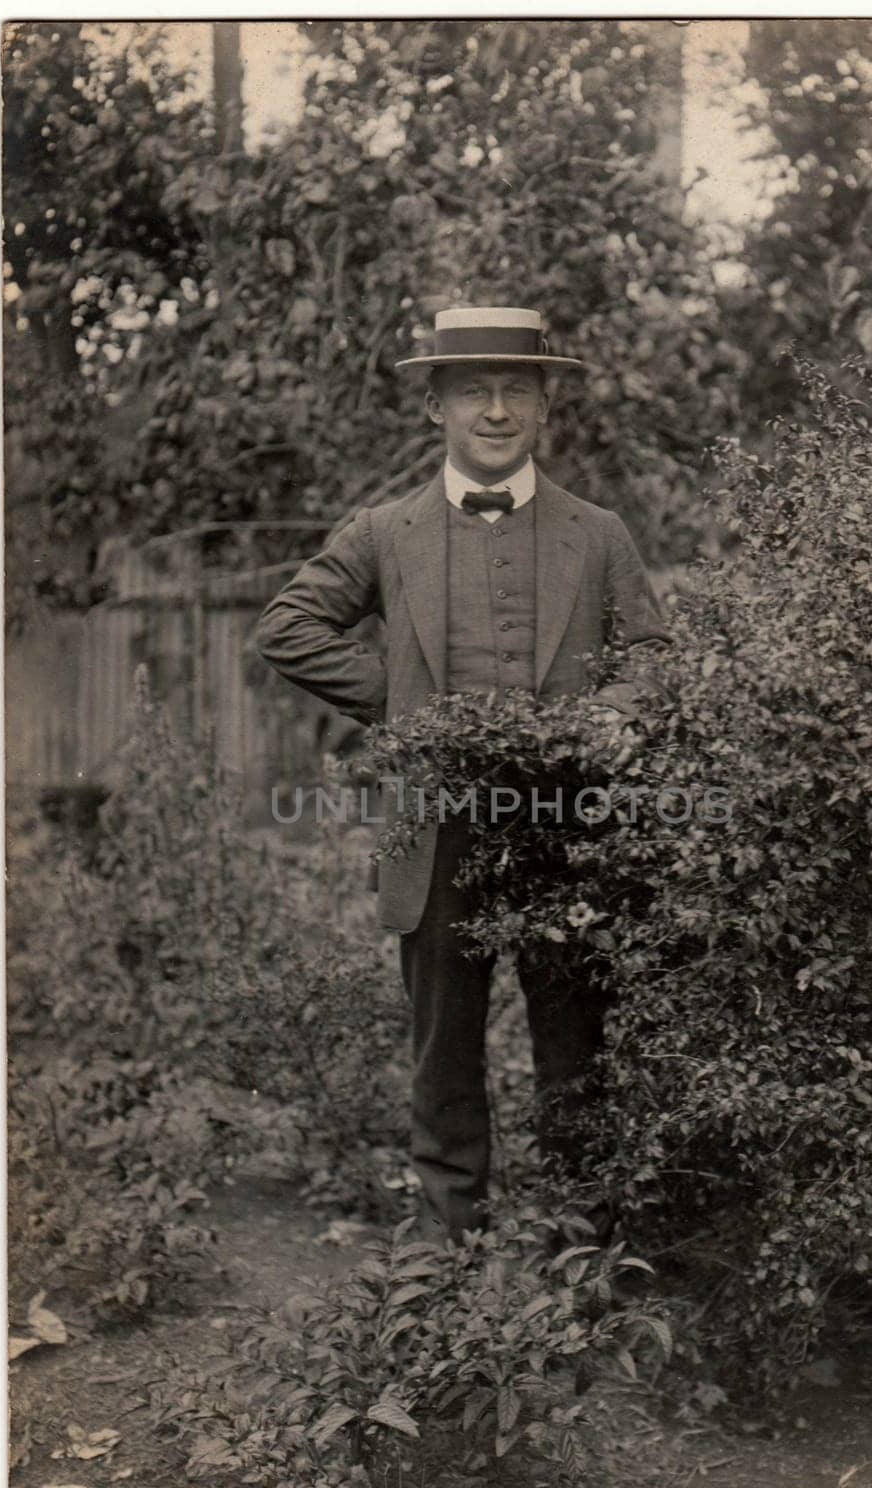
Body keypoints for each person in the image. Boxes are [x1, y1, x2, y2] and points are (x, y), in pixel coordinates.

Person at [257, 305, 670, 1239]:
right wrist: (401, 698)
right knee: (443, 1059)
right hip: (438, 834)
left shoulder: (598, 534)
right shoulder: (386, 531)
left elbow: (654, 655)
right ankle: (445, 1268)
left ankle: (581, 1265)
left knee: (577, 1056)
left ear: (543, 407)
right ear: (436, 406)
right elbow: (287, 627)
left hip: (571, 834)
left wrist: (615, 712)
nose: (495, 411)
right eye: (473, 391)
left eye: (515, 391)